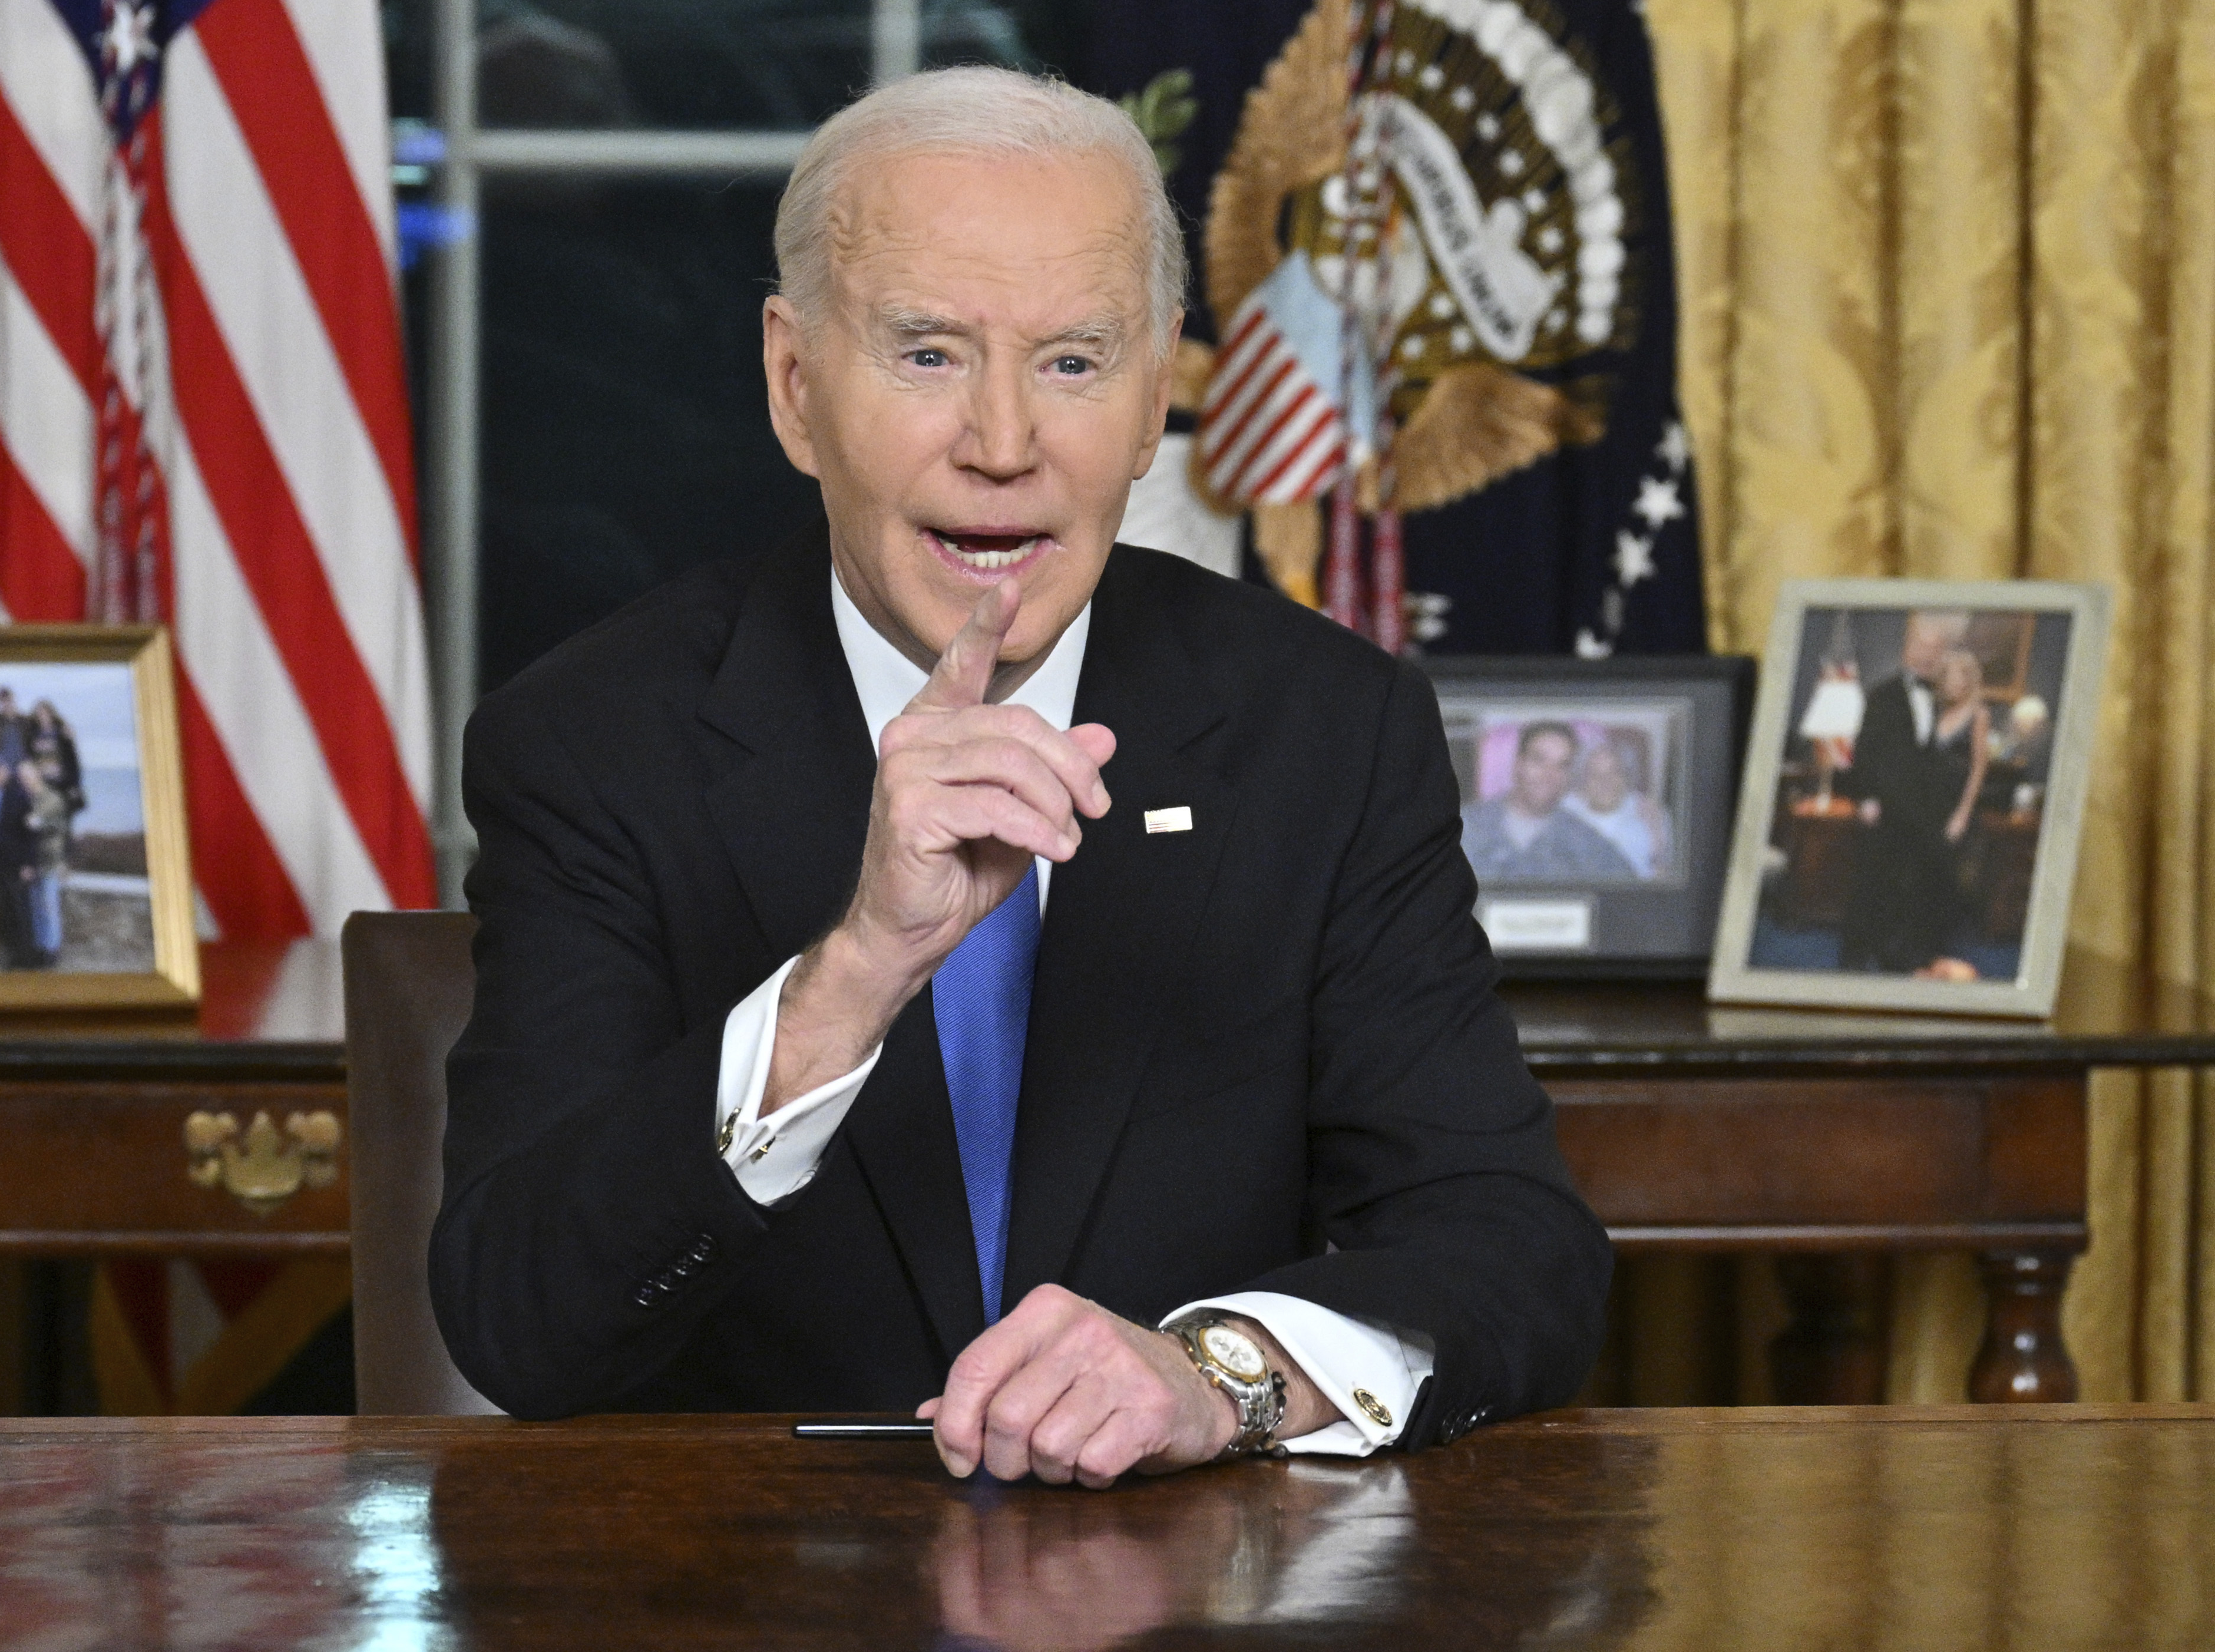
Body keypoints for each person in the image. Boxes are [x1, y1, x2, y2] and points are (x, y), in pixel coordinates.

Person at [433, 69, 1609, 1488]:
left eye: (1070, 360)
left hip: (1190, 1594)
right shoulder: (591, 745)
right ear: (795, 387)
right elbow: (519, 1322)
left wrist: (1215, 1373)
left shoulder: (1325, 729)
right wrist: (854, 973)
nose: (1001, 443)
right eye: (926, 353)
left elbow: (1512, 1247)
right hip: (753, 1585)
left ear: (1155, 389)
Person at [1839, 610, 1971, 971]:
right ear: (1907, 649)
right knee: (1873, 885)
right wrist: (1866, 798)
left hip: (1927, 811)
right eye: (1921, 646)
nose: (1927, 655)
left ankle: (1904, 956)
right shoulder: (1883, 696)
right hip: (1887, 807)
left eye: (1936, 648)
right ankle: (1853, 955)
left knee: (1920, 888)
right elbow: (1864, 751)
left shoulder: (1948, 699)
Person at [1458, 722, 1637, 883]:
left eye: (1562, 766)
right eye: (1539, 760)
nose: (1549, 776)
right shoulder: (1464, 827)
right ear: (1518, 764)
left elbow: (1630, 892)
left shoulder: (1586, 843)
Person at [1563, 736, 1671, 879]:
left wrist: (1657, 839)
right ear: (1582, 782)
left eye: (1614, 772)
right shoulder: (1564, 810)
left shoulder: (1649, 814)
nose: (1605, 781)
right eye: (1594, 774)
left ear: (1626, 777)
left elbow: (1664, 879)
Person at [0, 751, 39, 968]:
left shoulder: (19, 796)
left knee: (22, 911)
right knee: (7, 910)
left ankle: (27, 958)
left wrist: (29, 864)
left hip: (17, 863)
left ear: (6, 771)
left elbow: (31, 834)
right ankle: (13, 956)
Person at [20, 758, 68, 962]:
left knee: (49, 907)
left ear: (37, 775)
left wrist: (38, 823)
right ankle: (40, 948)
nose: (25, 781)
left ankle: (52, 950)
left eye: (28, 776)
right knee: (35, 906)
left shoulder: (52, 799)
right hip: (32, 861)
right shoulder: (24, 800)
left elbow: (55, 827)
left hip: (50, 861)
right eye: (22, 778)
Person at [29, 700, 86, 818]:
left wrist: (75, 785)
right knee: (44, 817)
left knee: (63, 817)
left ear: (52, 714)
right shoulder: (33, 735)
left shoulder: (62, 734)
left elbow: (73, 762)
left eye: (45, 713)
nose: (43, 717)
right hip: (43, 784)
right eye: (39, 714)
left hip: (61, 783)